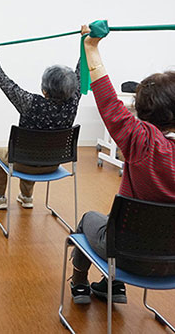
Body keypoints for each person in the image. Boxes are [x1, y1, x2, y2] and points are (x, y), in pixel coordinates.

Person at [69, 25, 175, 305]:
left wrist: (90, 46)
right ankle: (110, 285)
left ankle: (79, 281)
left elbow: (107, 99)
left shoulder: (142, 141)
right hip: (172, 261)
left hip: (127, 255)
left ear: (141, 112)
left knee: (88, 220)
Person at [0, 40, 81, 209]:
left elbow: (6, 84)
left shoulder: (30, 103)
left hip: (24, 163)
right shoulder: (73, 102)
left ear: (44, 90)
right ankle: (26, 197)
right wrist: (86, 46)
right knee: (35, 150)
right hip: (53, 164)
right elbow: (80, 74)